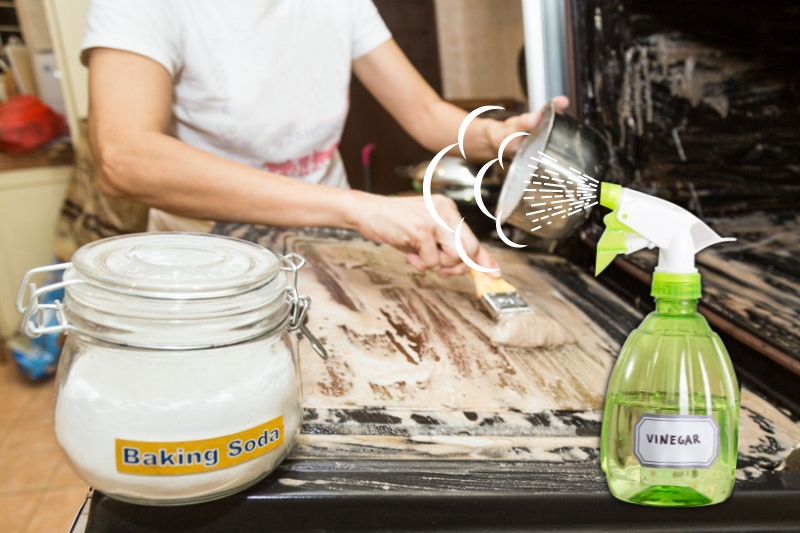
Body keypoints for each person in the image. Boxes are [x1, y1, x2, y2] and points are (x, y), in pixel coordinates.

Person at [82, 0, 568, 277]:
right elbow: (124, 158)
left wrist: (493, 136)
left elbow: (423, 112)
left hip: (322, 244)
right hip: (207, 257)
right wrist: (356, 207)